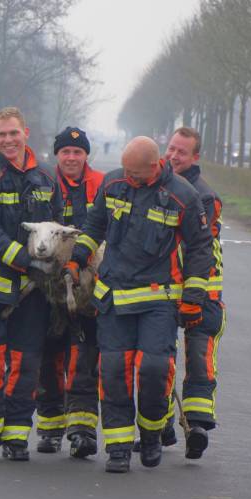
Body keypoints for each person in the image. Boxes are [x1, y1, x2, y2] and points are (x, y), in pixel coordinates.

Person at [70, 136, 213, 473]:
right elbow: (96, 225)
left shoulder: (183, 197)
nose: (129, 178)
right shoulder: (114, 182)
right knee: (114, 372)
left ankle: (150, 435)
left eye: (135, 174)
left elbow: (200, 248)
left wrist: (193, 298)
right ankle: (118, 447)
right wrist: (78, 257)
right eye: (126, 172)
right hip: (114, 300)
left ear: (155, 165)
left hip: (157, 302)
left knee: (154, 371)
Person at [0, 107, 62, 460]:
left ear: (25, 134)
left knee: (26, 362)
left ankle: (16, 435)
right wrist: (27, 260)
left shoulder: (46, 179)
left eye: (13, 134)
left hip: (33, 291)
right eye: (2, 135)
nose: (7, 140)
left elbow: (59, 223)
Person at [35, 127, 105, 459]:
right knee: (49, 355)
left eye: (77, 152)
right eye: (66, 152)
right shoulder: (43, 185)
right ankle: (49, 429)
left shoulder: (102, 185)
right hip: (48, 286)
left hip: (89, 285)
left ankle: (82, 431)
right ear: (57, 155)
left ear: (86, 155)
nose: (72, 158)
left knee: (85, 356)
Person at [163, 126, 225, 459]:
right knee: (160, 358)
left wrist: (194, 295)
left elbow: (196, 247)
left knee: (199, 361)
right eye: (170, 149)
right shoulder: (156, 185)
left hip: (203, 291)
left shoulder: (204, 197)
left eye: (181, 152)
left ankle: (197, 426)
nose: (173, 156)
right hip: (166, 289)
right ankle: (161, 424)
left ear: (195, 157)